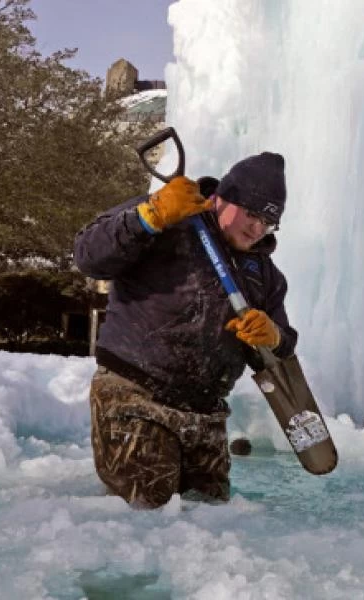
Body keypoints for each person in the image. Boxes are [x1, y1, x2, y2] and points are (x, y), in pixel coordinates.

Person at [73, 152, 297, 508]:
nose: (257, 228)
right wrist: (147, 218)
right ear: (222, 197)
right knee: (145, 517)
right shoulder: (169, 214)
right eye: (252, 213)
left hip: (206, 416)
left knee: (211, 526)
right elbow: (88, 256)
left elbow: (281, 350)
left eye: (269, 222)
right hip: (136, 397)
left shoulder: (265, 276)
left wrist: (273, 337)